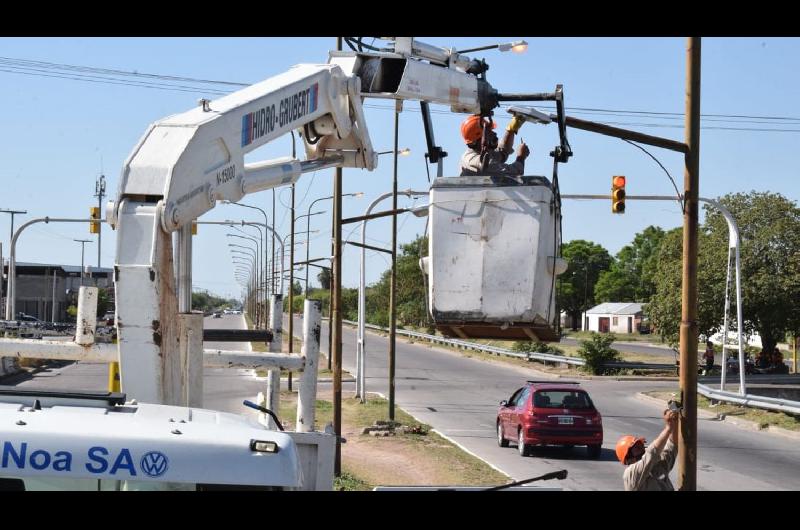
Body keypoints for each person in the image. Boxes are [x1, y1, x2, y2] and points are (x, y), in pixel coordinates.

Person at [616, 408, 679, 491]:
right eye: (637, 448)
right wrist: (668, 428)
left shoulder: (654, 467)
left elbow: (671, 447)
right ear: (629, 458)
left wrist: (674, 423)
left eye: (641, 445)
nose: (643, 448)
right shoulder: (630, 474)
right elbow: (652, 453)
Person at [458, 114, 530, 178]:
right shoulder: (472, 160)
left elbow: (502, 152)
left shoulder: (482, 152)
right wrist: (521, 157)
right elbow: (513, 173)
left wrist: (511, 129)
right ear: (479, 140)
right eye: (489, 132)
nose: (494, 134)